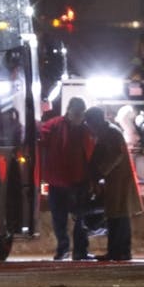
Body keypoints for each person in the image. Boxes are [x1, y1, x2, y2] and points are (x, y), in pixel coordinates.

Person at [38, 97, 96, 261]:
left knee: (77, 218)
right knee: (62, 218)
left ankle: (77, 251)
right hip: (61, 181)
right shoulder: (55, 126)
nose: (79, 116)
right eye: (77, 112)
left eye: (81, 112)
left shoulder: (82, 130)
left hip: (75, 181)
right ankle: (67, 249)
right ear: (69, 110)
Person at [84, 105, 143, 261]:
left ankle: (120, 252)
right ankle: (118, 251)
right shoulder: (107, 132)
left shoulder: (110, 133)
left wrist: (101, 172)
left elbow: (115, 155)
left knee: (119, 217)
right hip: (115, 182)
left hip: (119, 182)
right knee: (116, 217)